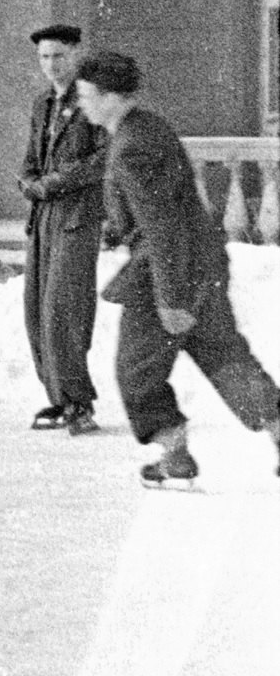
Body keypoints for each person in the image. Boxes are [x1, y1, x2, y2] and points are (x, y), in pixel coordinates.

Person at [78, 47, 280, 489]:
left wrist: (171, 298)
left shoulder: (131, 145)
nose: (82, 103)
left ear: (112, 96)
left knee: (136, 370)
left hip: (165, 272)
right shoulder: (147, 127)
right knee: (224, 356)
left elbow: (163, 225)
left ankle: (174, 453)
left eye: (87, 94)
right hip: (202, 261)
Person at [18, 22, 104, 435]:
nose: (51, 65)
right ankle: (59, 397)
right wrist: (29, 180)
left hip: (76, 217)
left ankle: (79, 402)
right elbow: (31, 158)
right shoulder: (42, 105)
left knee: (63, 310)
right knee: (35, 309)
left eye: (59, 55)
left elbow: (103, 160)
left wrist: (55, 182)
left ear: (76, 55)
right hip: (43, 218)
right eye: (44, 57)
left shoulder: (91, 102)